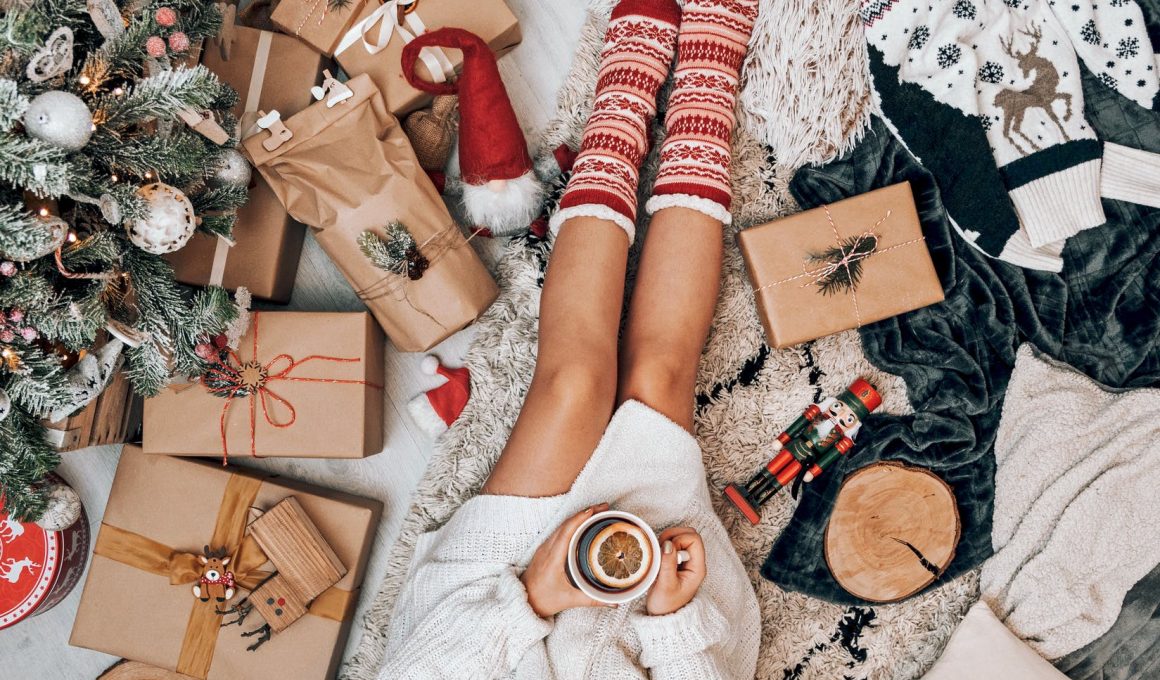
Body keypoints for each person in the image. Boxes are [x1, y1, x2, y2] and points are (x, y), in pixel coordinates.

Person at [380, 0, 761, 677]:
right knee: (659, 379)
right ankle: (708, 80)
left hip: (487, 611)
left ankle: (622, 99)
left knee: (574, 383)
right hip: (640, 634)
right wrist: (673, 623)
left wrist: (534, 595)